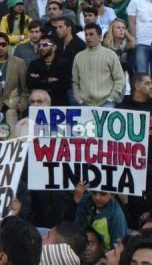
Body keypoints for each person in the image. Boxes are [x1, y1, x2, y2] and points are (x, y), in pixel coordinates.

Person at [116, 73, 152, 229]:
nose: (151, 86)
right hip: (131, 162)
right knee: (133, 202)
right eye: (148, 83)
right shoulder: (122, 107)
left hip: (151, 161)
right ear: (137, 86)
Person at [72, 23, 125, 107]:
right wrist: (79, 99)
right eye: (86, 35)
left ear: (100, 37)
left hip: (106, 102)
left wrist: (111, 98)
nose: (88, 37)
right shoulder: (78, 57)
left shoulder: (110, 55)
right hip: (84, 103)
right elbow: (75, 81)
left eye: (91, 34)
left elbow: (119, 79)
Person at [65, 182, 128, 250]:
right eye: (94, 193)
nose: (97, 198)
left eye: (103, 194)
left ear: (112, 195)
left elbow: (117, 245)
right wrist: (75, 202)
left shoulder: (117, 214)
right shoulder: (84, 201)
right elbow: (69, 228)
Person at [103, 18, 136, 96]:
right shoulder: (104, 45)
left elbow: (129, 65)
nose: (121, 30)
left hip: (126, 80)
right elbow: (103, 65)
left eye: (123, 28)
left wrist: (113, 64)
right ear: (112, 30)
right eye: (118, 28)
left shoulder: (130, 45)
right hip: (107, 81)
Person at [127, 0, 152, 74]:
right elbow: (131, 22)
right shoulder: (135, 1)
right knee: (141, 75)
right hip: (141, 42)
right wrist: (135, 41)